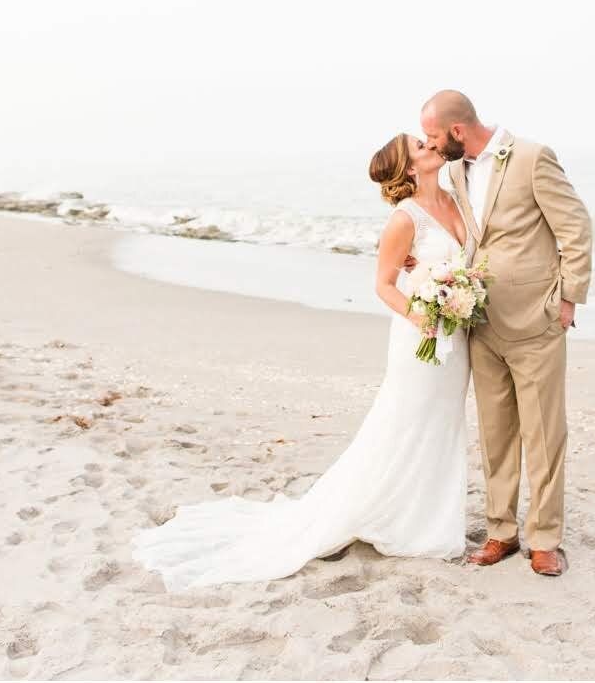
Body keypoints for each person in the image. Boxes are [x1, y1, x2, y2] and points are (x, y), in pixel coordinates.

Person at [129, 133, 473, 590]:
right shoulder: (403, 220)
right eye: (420, 146)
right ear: (410, 169)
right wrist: (423, 316)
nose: (430, 145)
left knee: (443, 423)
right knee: (407, 421)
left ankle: (427, 512)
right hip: (421, 337)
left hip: (458, 336)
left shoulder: (454, 193)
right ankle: (404, 520)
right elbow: (384, 285)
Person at [419, 89, 593, 578]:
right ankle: (502, 532)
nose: (430, 146)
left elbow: (575, 228)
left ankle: (545, 538)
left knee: (544, 433)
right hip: (478, 321)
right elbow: (468, 234)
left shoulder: (533, 158)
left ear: (457, 130)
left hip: (536, 320)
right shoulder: (455, 171)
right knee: (495, 434)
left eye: (434, 136)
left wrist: (567, 298)